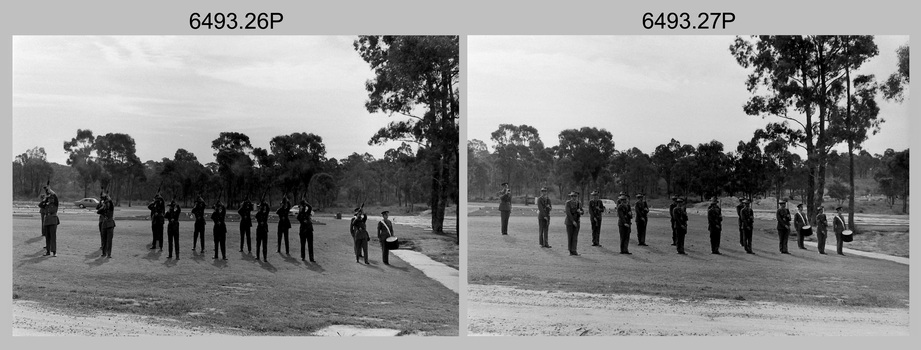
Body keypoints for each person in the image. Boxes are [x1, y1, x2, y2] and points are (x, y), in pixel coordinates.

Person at [41, 185, 60, 257]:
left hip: (53, 220)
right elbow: (40, 205)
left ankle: (54, 252)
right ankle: (48, 251)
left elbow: (55, 196)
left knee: (53, 237)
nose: (50, 199)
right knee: (47, 237)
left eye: (51, 198)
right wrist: (45, 199)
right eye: (50, 198)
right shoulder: (46, 204)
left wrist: (50, 189)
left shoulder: (55, 204)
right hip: (47, 221)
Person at [97, 190, 115, 258]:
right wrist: (103, 206)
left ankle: (109, 254)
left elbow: (111, 203)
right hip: (104, 224)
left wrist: (108, 199)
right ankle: (104, 253)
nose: (107, 205)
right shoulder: (104, 208)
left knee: (109, 240)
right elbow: (98, 211)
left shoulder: (111, 208)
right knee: (104, 239)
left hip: (110, 224)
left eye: (107, 203)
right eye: (106, 203)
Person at [564, 191, 582, 256]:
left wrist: (580, 211)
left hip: (577, 221)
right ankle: (570, 250)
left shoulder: (579, 203)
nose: (574, 197)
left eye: (575, 196)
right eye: (572, 196)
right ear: (570, 197)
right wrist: (573, 221)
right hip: (569, 222)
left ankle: (574, 250)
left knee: (575, 237)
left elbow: (582, 211)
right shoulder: (568, 203)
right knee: (570, 237)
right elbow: (568, 213)